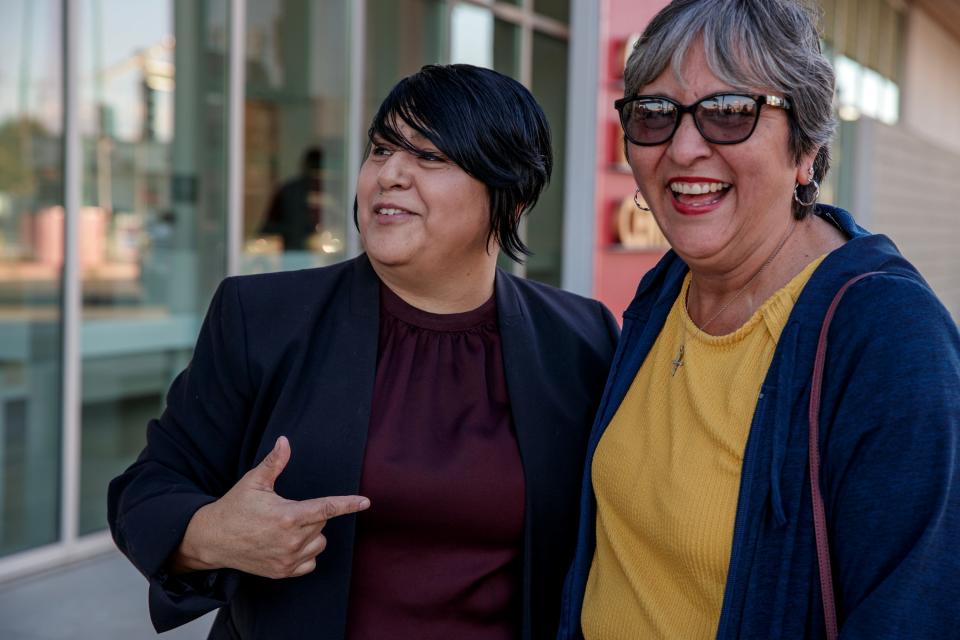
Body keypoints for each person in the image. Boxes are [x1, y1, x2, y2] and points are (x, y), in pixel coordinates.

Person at [107, 64, 618, 640]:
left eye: (429, 156)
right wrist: (208, 535)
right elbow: (148, 490)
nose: (389, 174)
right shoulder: (263, 317)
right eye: (380, 149)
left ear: (512, 192)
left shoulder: (583, 338)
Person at [558, 1, 960, 639]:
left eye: (729, 113)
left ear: (806, 146)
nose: (684, 148)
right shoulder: (666, 290)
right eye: (655, 114)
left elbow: (914, 611)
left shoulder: (890, 337)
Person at [259, 146, 325, 251]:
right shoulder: (289, 191)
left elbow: (269, 228)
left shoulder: (288, 190)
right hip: (294, 252)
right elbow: (269, 228)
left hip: (299, 251)